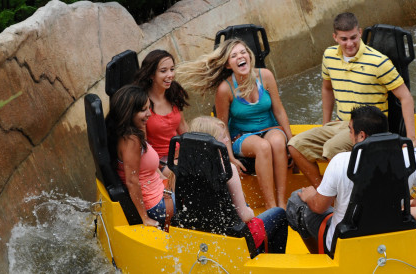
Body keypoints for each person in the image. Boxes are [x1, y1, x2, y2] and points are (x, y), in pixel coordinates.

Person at [286, 106, 416, 254]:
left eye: (350, 131)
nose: (349, 136)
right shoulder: (409, 159)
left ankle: (324, 260)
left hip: (347, 244)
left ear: (362, 136)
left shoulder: (340, 162)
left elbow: (320, 207)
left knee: (296, 202)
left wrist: (311, 195)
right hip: (395, 240)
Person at [287, 12, 416, 187]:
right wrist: (325, 124)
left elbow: (405, 97)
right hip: (341, 124)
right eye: (344, 39)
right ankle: (324, 193)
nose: (350, 44)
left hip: (370, 129)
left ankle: (351, 194)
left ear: (360, 32)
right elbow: (327, 89)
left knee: (332, 148)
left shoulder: (379, 62)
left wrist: (411, 139)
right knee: (295, 145)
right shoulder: (329, 56)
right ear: (335, 37)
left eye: (353, 37)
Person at [177, 38, 293, 210]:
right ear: (228, 65)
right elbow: (222, 126)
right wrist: (229, 157)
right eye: (234, 55)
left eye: (243, 52)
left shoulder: (265, 75)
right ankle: (271, 207)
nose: (240, 56)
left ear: (249, 55)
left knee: (276, 142)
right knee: (263, 147)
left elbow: (279, 110)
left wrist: (291, 142)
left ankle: (281, 203)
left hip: (271, 128)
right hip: (242, 135)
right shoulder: (225, 89)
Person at [189, 116, 288, 253]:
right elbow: (244, 217)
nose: (227, 140)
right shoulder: (228, 170)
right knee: (280, 214)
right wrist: (251, 212)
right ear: (212, 142)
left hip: (203, 235)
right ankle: (271, 262)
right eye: (223, 137)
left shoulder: (183, 168)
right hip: (236, 239)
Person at [106, 85, 176, 229]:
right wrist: (144, 218)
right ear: (128, 112)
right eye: (143, 110)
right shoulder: (131, 140)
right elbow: (132, 182)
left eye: (149, 108)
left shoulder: (128, 133)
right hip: (157, 206)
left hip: (159, 192)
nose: (149, 114)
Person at [132, 49, 189, 164]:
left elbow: (182, 126)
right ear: (151, 75)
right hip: (159, 161)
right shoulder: (142, 103)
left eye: (172, 69)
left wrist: (194, 147)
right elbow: (144, 145)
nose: (170, 75)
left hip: (180, 153)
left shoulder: (174, 92)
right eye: (163, 71)